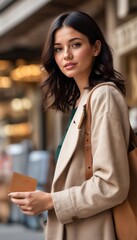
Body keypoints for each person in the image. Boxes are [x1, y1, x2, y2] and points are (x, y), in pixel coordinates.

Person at [8, 11, 130, 240]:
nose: (67, 55)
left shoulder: (103, 96)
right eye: (58, 48)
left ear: (95, 48)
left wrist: (51, 200)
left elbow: (112, 184)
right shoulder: (82, 100)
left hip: (96, 230)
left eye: (75, 44)